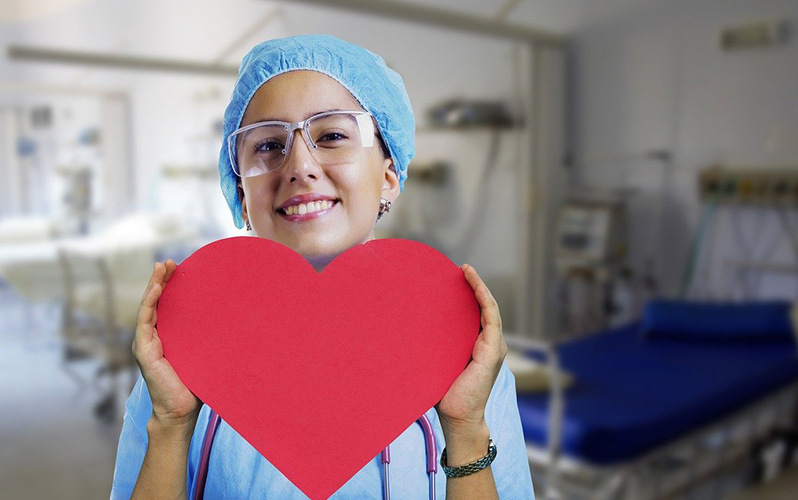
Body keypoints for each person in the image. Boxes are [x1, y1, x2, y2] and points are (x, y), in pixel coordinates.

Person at [110, 34, 534, 500]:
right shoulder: (186, 353)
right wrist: (171, 425)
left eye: (332, 135)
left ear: (389, 175)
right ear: (241, 197)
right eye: (268, 145)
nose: (300, 166)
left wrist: (466, 429)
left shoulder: (462, 351)